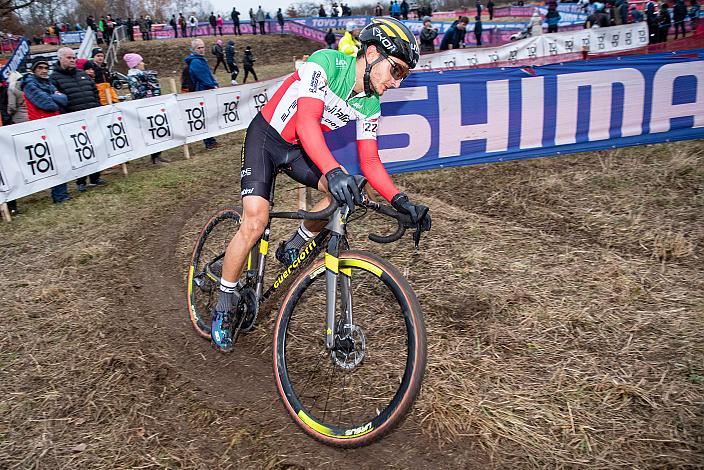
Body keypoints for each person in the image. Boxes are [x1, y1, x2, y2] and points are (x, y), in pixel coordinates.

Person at [208, 17, 430, 352]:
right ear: (372, 54)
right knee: (255, 221)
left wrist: (401, 200)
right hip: (267, 139)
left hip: (299, 149)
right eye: (397, 70)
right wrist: (332, 169)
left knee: (346, 192)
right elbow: (308, 121)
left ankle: (296, 242)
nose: (397, 83)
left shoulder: (369, 102)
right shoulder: (325, 63)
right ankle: (224, 302)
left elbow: (370, 162)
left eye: (404, 75)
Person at [51, 47, 107, 193]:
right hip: (73, 120)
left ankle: (95, 177)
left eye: (73, 57)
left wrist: (97, 107)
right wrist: (67, 116)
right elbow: (56, 100)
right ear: (61, 59)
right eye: (69, 58)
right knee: (80, 150)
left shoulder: (83, 74)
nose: (72, 60)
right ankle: (81, 181)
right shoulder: (54, 78)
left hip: (91, 117)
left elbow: (94, 91)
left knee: (95, 147)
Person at [22, 56, 69, 204]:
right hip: (40, 128)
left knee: (60, 159)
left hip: (53, 125)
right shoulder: (29, 85)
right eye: (40, 68)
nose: (43, 71)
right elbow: (49, 105)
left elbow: (64, 100)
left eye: (46, 68)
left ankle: (62, 194)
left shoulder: (48, 83)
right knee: (52, 161)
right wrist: (54, 97)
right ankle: (59, 195)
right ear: (33, 70)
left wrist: (53, 98)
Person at [124, 53, 168, 165]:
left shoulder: (142, 75)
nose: (143, 63)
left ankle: (157, 155)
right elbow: (136, 94)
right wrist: (150, 92)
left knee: (157, 129)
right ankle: (154, 157)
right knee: (150, 131)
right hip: (143, 108)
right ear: (136, 64)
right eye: (141, 62)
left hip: (150, 105)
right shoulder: (133, 77)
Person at [186, 39, 220, 150]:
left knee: (209, 116)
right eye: (198, 48)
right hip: (202, 92)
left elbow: (208, 75)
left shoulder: (201, 60)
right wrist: (213, 85)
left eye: (202, 47)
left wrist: (214, 83)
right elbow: (203, 78)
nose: (201, 49)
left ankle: (211, 140)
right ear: (194, 49)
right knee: (205, 118)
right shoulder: (196, 62)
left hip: (207, 91)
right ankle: (209, 142)